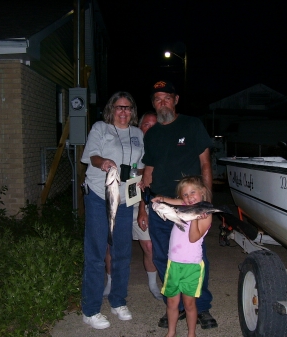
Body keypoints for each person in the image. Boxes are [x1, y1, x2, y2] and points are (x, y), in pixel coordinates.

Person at [138, 80, 218, 329]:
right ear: (153, 103)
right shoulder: (151, 135)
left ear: (176, 100)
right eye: (157, 99)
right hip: (161, 206)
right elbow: (147, 173)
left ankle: (201, 306)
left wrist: (207, 201)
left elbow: (205, 164)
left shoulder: (192, 125)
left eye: (167, 98)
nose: (162, 103)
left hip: (190, 203)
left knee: (195, 257)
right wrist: (144, 206)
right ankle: (176, 305)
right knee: (163, 256)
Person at [80, 91, 144, 330]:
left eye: (128, 108)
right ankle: (91, 309)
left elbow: (142, 165)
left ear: (132, 111)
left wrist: (140, 179)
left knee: (122, 253)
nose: (123, 112)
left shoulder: (138, 134)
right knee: (97, 253)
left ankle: (118, 301)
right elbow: (92, 157)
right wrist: (104, 162)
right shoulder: (100, 128)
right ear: (111, 109)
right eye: (119, 107)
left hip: (126, 198)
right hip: (99, 195)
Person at [103, 111, 162, 300]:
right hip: (118, 201)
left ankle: (153, 284)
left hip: (140, 203)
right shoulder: (125, 143)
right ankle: (110, 283)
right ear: (139, 126)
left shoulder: (158, 149)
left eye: (154, 125)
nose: (150, 129)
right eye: (146, 125)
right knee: (111, 246)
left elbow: (149, 183)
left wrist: (143, 209)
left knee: (149, 246)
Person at [152, 176, 212, 337]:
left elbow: (193, 238)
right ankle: (171, 332)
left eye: (193, 192)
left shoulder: (205, 215)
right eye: (185, 194)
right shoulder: (185, 205)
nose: (189, 197)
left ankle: (191, 333)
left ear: (202, 193)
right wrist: (162, 199)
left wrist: (193, 219)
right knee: (172, 302)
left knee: (189, 303)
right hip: (173, 264)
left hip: (192, 267)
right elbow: (175, 202)